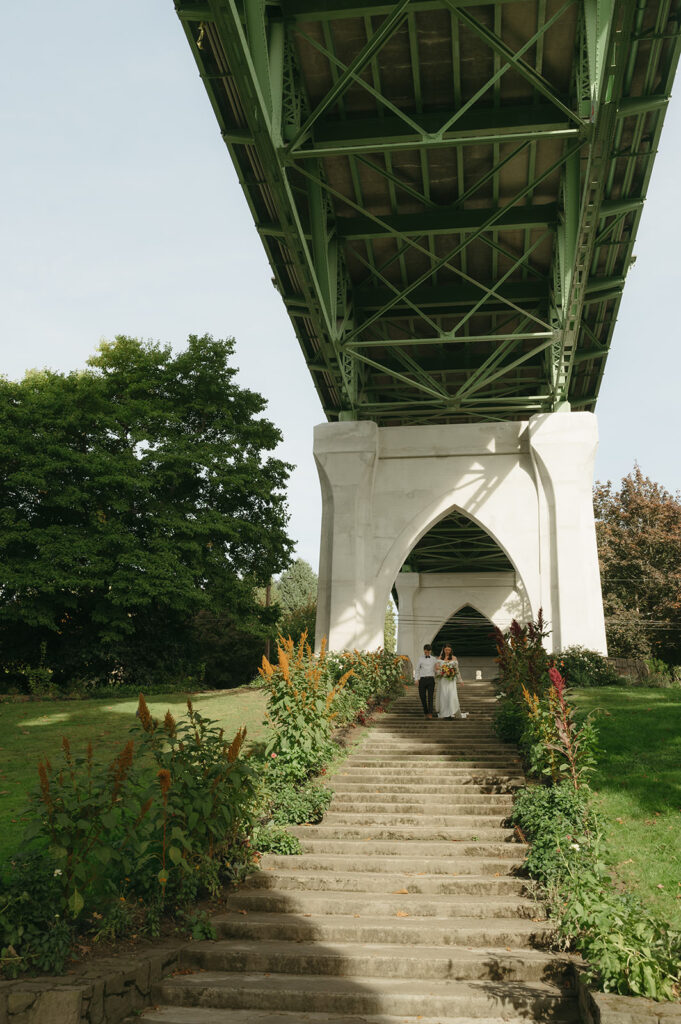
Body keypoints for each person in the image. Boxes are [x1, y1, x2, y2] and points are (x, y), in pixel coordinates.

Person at [434, 644, 468, 720]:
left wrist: (460, 680)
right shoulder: (439, 658)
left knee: (451, 696)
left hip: (451, 680)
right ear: (443, 650)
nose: (447, 651)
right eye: (446, 650)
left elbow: (457, 670)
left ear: (451, 650)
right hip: (443, 680)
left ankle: (451, 712)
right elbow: (437, 670)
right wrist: (442, 672)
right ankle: (445, 714)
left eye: (449, 650)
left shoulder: (454, 658)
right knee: (444, 696)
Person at [414, 643, 437, 718]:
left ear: (430, 651)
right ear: (424, 651)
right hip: (422, 680)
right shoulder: (420, 658)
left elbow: (436, 669)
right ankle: (426, 711)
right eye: (425, 652)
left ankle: (430, 713)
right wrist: (416, 679)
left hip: (431, 679)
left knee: (430, 697)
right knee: (422, 696)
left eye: (428, 652)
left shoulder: (434, 659)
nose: (427, 653)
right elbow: (417, 669)